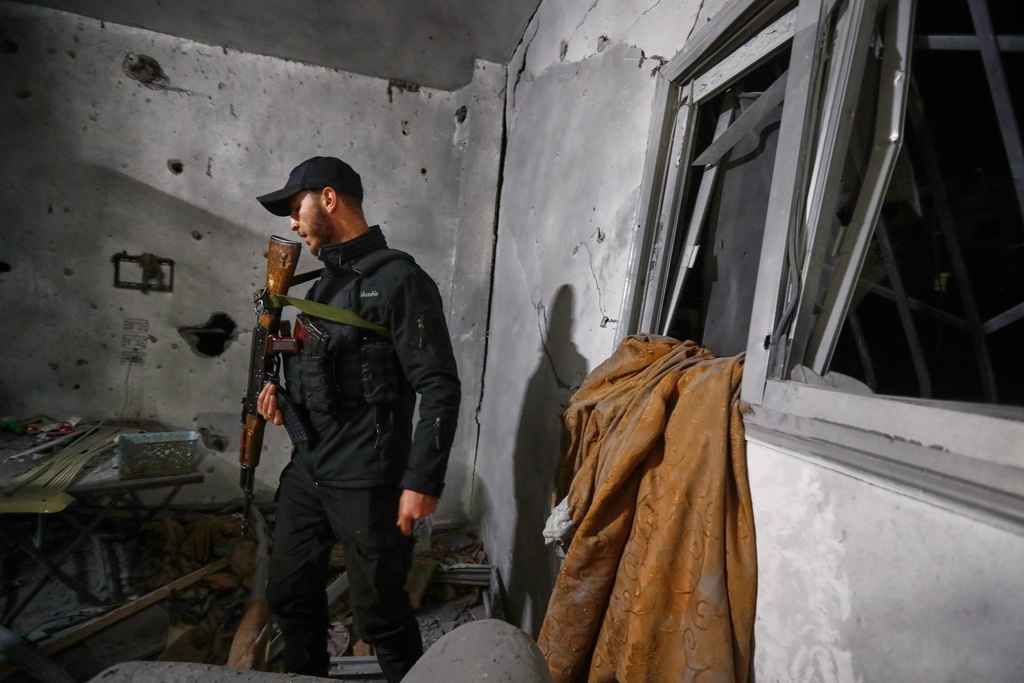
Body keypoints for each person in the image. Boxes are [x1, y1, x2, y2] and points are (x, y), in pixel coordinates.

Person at [253, 156, 461, 682]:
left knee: (380, 616)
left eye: (295, 208)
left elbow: (438, 385)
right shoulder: (322, 286)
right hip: (309, 469)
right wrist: (282, 394)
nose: (292, 225)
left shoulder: (401, 280)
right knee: (289, 595)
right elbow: (324, 367)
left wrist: (422, 480)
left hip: (368, 477)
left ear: (328, 198)